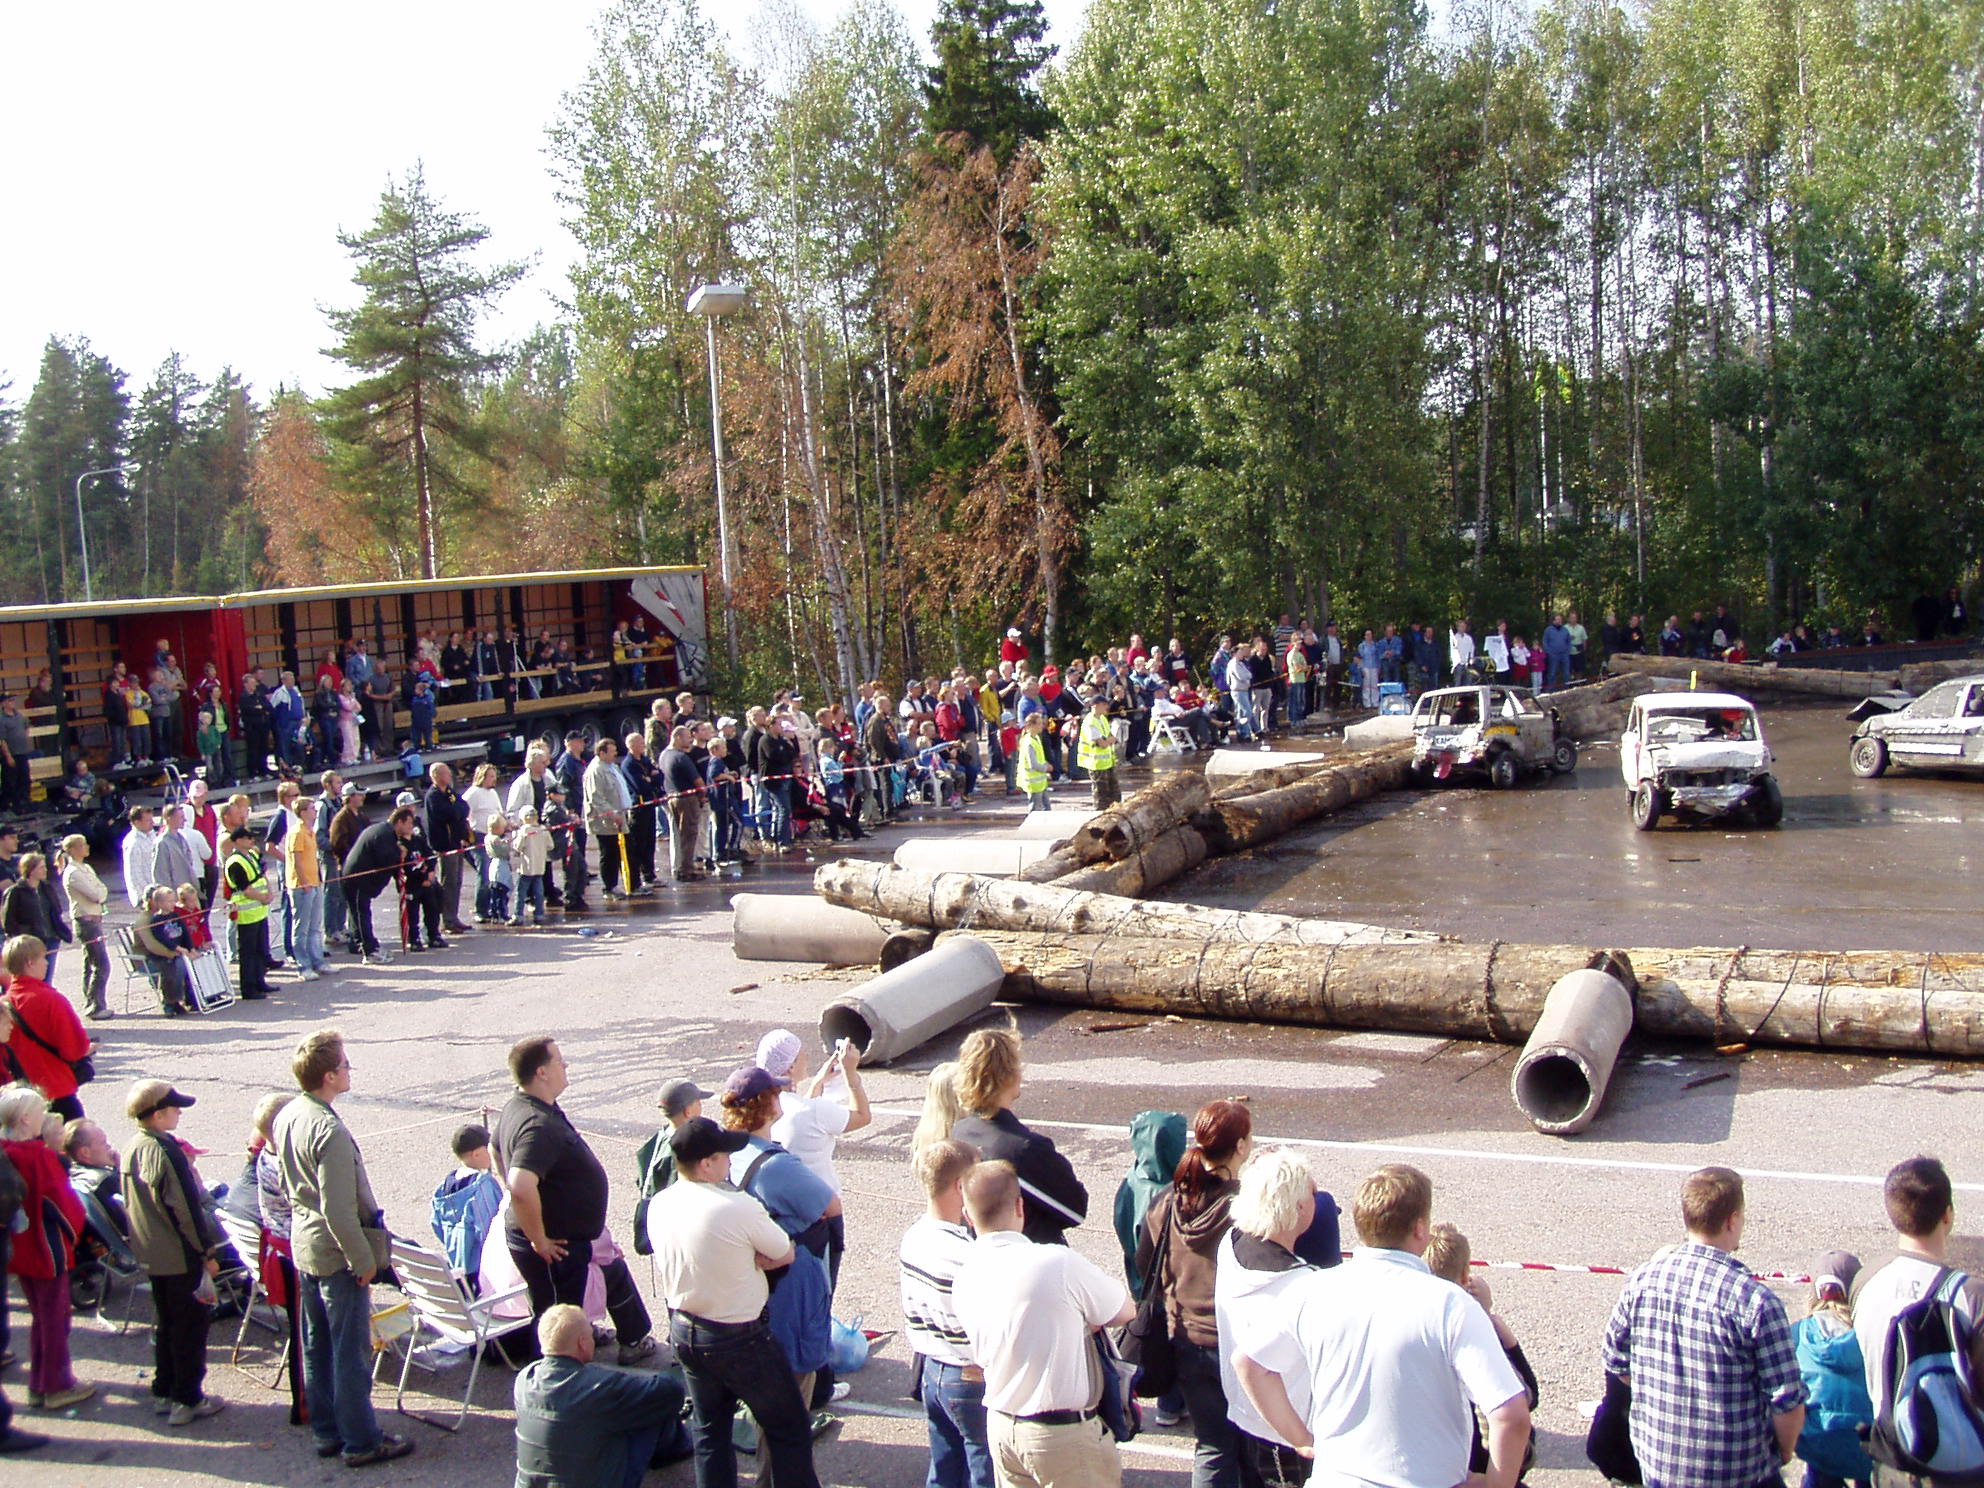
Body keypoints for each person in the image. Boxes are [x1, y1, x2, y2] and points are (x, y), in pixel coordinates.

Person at [1233, 1164, 1530, 1488]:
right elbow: (1510, 1415)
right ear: (1420, 1229)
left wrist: (1302, 1438)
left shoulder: (1310, 1290)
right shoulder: (1451, 1305)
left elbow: (1249, 1363)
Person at [1602, 1166, 1805, 1488]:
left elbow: (1616, 1362)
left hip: (1660, 1466)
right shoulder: (1756, 1302)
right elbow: (1787, 1403)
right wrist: (1783, 1452)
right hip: (1738, 1473)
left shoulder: (1641, 1281)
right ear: (1732, 1220)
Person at [648, 1114, 821, 1488]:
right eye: (724, 1155)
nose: (730, 1161)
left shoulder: (660, 1203)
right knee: (788, 1425)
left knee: (710, 1431)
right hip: (740, 1337)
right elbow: (783, 1250)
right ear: (707, 1163)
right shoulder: (736, 1206)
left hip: (686, 1328)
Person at [271, 1029, 416, 1467]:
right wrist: (363, 1259)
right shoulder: (327, 1130)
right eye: (346, 1065)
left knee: (316, 1345)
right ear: (330, 1076)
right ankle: (361, 1440)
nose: (350, 1071)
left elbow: (285, 1184)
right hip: (336, 1251)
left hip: (306, 1244)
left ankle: (328, 1431)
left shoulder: (289, 1113)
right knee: (349, 1353)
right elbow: (338, 1209)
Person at [952, 1160, 1135, 1488]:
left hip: (1002, 1426)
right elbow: (1123, 1311)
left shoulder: (964, 1275)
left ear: (967, 1215)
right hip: (1060, 1435)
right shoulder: (1056, 1263)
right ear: (1020, 1205)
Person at [495, 1036, 657, 1362]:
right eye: (559, 1060)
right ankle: (557, 1386)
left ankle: (593, 1339)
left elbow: (493, 1148)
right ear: (542, 1072)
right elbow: (520, 1185)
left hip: (567, 1239)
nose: (565, 1065)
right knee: (556, 1322)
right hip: (554, 1247)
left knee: (592, 1285)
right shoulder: (535, 1124)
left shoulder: (522, 1105)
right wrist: (539, 1239)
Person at [1138, 1100, 1253, 1488]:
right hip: (1236, 1344)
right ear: (1240, 1146)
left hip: (1185, 1339)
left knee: (1212, 1445)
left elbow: (1144, 1264)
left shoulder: (1168, 1203)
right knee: (1253, 1446)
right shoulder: (1244, 1210)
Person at [1852, 1155, 1984, 1481]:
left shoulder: (1865, 1280)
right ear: (1948, 1215)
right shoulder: (1971, 1295)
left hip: (1891, 1459)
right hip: (1960, 1467)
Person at [717, 1067, 838, 1407]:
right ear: (766, 1104)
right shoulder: (776, 1166)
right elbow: (830, 1205)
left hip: (747, 1280)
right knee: (791, 1386)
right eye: (777, 1092)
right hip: (788, 1280)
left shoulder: (725, 1152)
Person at [1214, 1148, 1325, 1488]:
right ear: (1297, 1208)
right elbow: (1250, 1363)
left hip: (1244, 1412)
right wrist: (1304, 1439)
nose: (1317, 1195)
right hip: (1286, 1431)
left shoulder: (1230, 1244)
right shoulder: (1301, 1284)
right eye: (1311, 1193)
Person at [122, 1079, 225, 1425]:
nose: (179, 1112)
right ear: (157, 1114)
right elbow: (186, 1209)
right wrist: (206, 1253)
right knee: (190, 1328)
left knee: (166, 1324)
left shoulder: (132, 1145)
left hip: (153, 1253)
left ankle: (164, 1388)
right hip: (180, 1255)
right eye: (174, 1108)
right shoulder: (167, 1152)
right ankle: (188, 1398)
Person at [513, 1303, 689, 1488]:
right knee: (652, 1400)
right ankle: (675, 1449)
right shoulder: (598, 1386)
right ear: (582, 1343)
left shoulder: (524, 1379)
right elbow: (672, 1391)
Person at [901, 1138, 993, 1488]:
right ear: (960, 1186)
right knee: (983, 1463)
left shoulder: (915, 1235)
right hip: (967, 1374)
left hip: (932, 1369)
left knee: (945, 1465)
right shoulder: (965, 1254)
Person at [950, 1027, 1088, 1246]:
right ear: (1009, 1075)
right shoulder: (1026, 1148)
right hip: (1030, 1257)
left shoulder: (960, 1132)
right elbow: (1075, 1210)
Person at [1423, 1223, 1539, 1480]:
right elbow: (1528, 1395)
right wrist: (1489, 1319)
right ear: (1466, 1275)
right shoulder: (1476, 1331)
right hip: (1479, 1463)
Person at [2, 1085, 92, 1412]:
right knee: (55, 1319)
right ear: (26, 1118)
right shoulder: (37, 1156)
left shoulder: (6, 1150)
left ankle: (40, 1382)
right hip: (46, 1246)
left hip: (19, 1246)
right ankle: (56, 1385)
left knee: (40, 1317)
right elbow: (64, 1203)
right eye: (40, 1112)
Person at [1792, 1252, 1874, 1488]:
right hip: (1867, 1444)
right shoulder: (1873, 1333)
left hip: (1819, 1442)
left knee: (1819, 1469)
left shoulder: (1798, 1333)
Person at [5, 935, 92, 1122]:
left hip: (19, 1097)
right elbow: (73, 1049)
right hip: (55, 1088)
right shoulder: (50, 999)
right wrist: (87, 1049)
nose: (46, 963)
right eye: (43, 958)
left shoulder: (4, 1004)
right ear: (30, 963)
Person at [341, 805, 414, 965]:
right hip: (358, 878)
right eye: (409, 823)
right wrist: (400, 852)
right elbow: (386, 859)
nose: (411, 827)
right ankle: (369, 951)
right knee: (361, 913)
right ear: (399, 822)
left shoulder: (385, 832)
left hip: (358, 878)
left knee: (357, 913)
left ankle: (358, 943)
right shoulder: (384, 834)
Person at [431, 1124, 504, 1281]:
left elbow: (436, 1225)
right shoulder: (482, 1185)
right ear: (477, 1154)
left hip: (458, 1268)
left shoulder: (443, 1188)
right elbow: (491, 1231)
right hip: (483, 1270)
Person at [221, 825, 276, 999]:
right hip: (246, 913)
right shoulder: (234, 862)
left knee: (260, 949)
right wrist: (262, 897)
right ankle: (249, 987)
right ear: (238, 841)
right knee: (248, 952)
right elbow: (244, 888)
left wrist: (268, 893)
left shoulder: (251, 855)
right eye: (248, 838)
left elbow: (261, 875)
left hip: (259, 910)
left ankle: (260, 981)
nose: (252, 841)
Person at [59, 835, 111, 1021]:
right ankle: (96, 1005)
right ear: (72, 850)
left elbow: (102, 889)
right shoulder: (73, 873)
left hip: (95, 919)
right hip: (85, 921)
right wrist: (99, 894)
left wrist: (100, 894)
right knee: (100, 964)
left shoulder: (86, 868)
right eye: (82, 845)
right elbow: (94, 894)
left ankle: (92, 1002)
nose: (86, 847)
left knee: (91, 963)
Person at [2, 854, 71, 985]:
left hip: (50, 938)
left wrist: (59, 932)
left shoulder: (46, 888)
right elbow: (8, 922)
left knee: (47, 978)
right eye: (41, 867)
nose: (45, 870)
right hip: (31, 942)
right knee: (32, 979)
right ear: (30, 870)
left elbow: (56, 911)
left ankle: (45, 1003)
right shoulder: (16, 891)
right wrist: (20, 940)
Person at [423, 761, 473, 936]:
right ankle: (447, 920)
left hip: (457, 843)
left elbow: (463, 807)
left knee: (457, 881)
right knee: (449, 882)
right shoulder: (434, 796)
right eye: (445, 773)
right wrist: (456, 812)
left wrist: (457, 812)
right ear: (436, 776)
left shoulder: (450, 793)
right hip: (445, 846)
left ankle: (454, 916)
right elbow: (447, 814)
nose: (449, 776)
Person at [583, 738, 633, 900]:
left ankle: (622, 883)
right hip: (605, 822)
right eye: (612, 752)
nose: (615, 754)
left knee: (618, 852)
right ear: (602, 753)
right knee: (609, 853)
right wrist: (612, 814)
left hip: (618, 817)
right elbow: (595, 798)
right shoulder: (596, 771)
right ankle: (609, 887)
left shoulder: (611, 767)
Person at [1076, 689, 1120, 811]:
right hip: (1096, 764)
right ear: (1096, 705)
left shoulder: (1102, 719)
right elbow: (1103, 743)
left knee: (1114, 793)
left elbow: (1110, 737)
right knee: (1101, 795)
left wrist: (1110, 739)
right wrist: (1110, 740)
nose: (1107, 707)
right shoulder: (1090, 722)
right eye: (1104, 704)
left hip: (1107, 762)